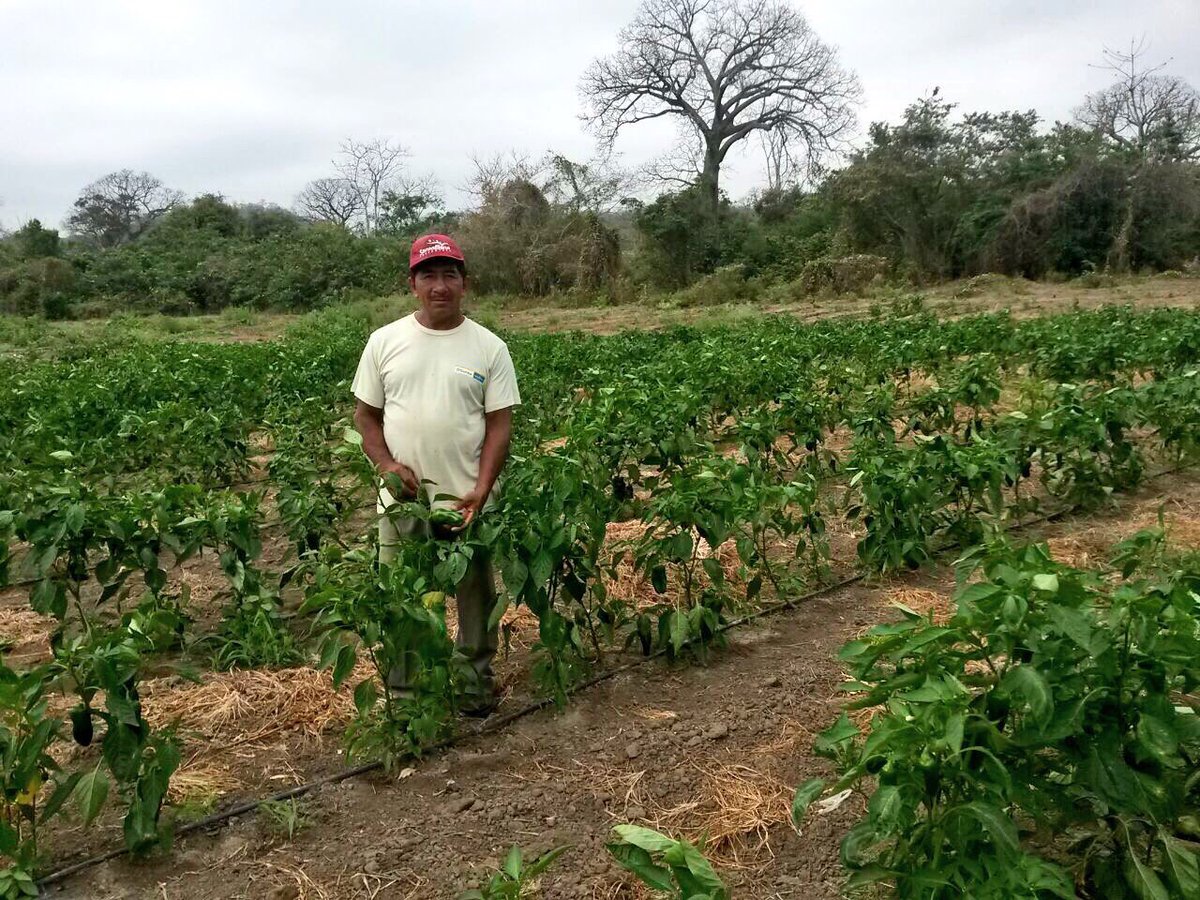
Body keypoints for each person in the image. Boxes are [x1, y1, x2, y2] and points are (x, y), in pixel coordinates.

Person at [350, 233, 520, 716]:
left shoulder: (489, 348)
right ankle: (406, 698)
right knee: (401, 598)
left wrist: (482, 491)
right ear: (413, 284)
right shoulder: (384, 342)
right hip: (402, 502)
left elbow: (499, 427)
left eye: (449, 275)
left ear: (465, 284)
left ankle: (473, 685)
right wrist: (386, 465)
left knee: (474, 598)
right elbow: (365, 416)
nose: (439, 285)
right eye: (429, 275)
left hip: (467, 499)